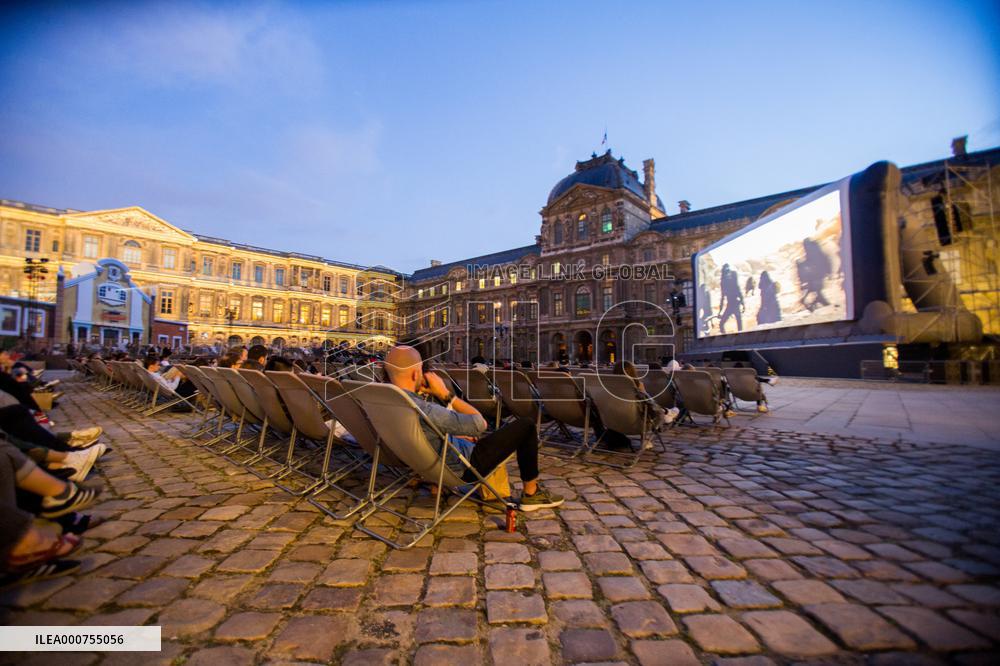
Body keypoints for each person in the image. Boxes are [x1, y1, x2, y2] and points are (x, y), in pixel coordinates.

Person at [384, 345, 563, 511]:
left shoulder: (384, 401)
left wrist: (457, 437)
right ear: (417, 374)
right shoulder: (423, 408)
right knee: (526, 426)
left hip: (423, 463)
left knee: (481, 436)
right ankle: (532, 493)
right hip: (462, 467)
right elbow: (479, 424)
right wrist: (445, 394)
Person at [718, 263, 744, 334]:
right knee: (739, 325)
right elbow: (723, 296)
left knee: (738, 325)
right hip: (733, 304)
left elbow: (737, 289)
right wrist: (742, 303)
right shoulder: (725, 280)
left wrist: (743, 303)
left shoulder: (730, 278)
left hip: (733, 304)